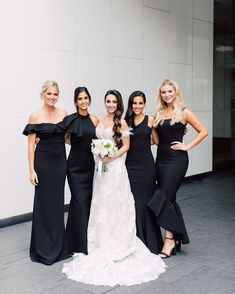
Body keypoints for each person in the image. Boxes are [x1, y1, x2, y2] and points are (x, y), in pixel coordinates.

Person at [62, 90, 166, 286]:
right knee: (101, 203)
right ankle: (100, 240)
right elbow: (80, 136)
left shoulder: (122, 122)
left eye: (113, 102)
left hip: (115, 168)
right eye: (107, 101)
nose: (110, 104)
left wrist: (111, 157)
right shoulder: (98, 121)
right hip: (99, 170)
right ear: (104, 102)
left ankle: (119, 242)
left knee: (116, 203)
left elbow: (126, 145)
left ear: (118, 104)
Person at [148, 79, 208, 258]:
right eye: (164, 92)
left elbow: (203, 131)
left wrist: (187, 146)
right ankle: (176, 237)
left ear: (176, 93)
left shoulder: (184, 112)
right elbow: (156, 139)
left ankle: (169, 240)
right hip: (161, 159)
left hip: (177, 160)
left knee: (163, 198)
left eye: (170, 91)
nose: (167, 95)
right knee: (170, 198)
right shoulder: (158, 113)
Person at [22, 80, 69, 265]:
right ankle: (43, 248)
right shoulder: (34, 116)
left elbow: (67, 138)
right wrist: (31, 170)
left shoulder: (64, 113)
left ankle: (58, 246)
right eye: (49, 94)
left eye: (55, 94)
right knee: (43, 204)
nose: (52, 97)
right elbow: (30, 145)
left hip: (60, 164)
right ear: (43, 94)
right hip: (43, 163)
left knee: (57, 204)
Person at [125, 91, 163, 254]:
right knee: (133, 204)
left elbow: (157, 140)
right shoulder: (126, 121)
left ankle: (151, 242)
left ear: (144, 104)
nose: (137, 106)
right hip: (130, 166)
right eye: (134, 103)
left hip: (147, 167)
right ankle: (135, 240)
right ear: (131, 104)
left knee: (146, 203)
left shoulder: (150, 120)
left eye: (140, 103)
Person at [63, 87, 99, 255]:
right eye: (80, 99)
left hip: (90, 166)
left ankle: (85, 241)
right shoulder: (69, 119)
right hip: (75, 167)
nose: (84, 101)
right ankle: (76, 244)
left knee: (89, 202)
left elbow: (105, 136)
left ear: (89, 100)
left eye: (86, 98)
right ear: (75, 101)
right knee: (79, 202)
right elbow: (62, 138)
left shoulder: (95, 119)